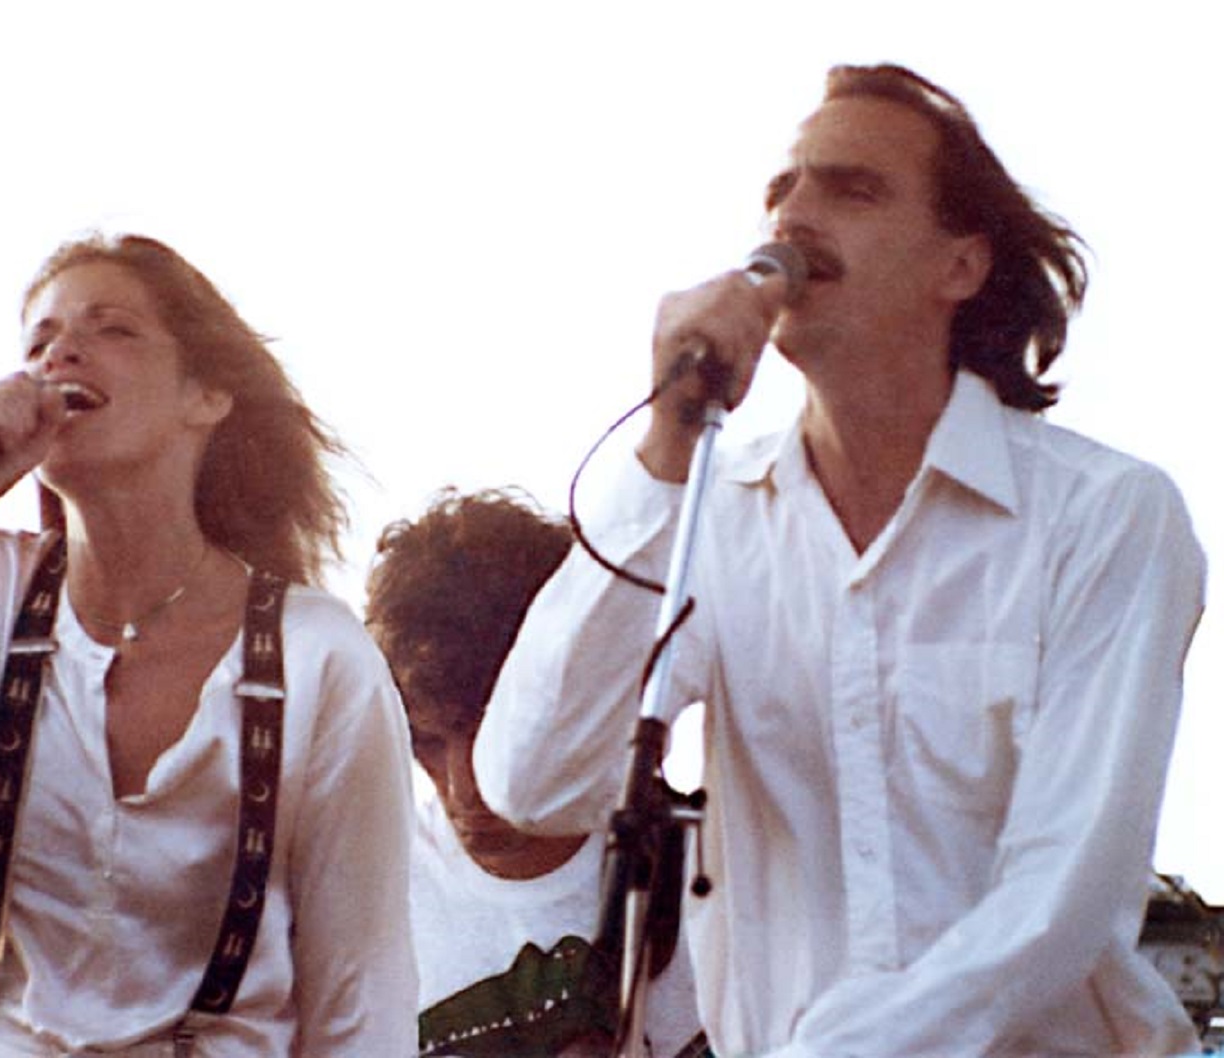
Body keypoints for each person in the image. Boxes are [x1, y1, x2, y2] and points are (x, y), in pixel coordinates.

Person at [474, 63, 1207, 1057]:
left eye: (852, 188)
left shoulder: (1107, 515)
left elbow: (1063, 893)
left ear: (960, 266)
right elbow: (534, 780)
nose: (793, 217)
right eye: (783, 187)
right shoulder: (712, 518)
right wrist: (661, 452)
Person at [0, 233, 417, 1056]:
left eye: (113, 329)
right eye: (39, 341)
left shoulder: (317, 653)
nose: (61, 351)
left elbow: (363, 988)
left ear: (205, 397)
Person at [366, 488, 708, 1058]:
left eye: (488, 739)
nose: (462, 789)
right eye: (425, 742)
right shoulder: (366, 895)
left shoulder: (714, 861)